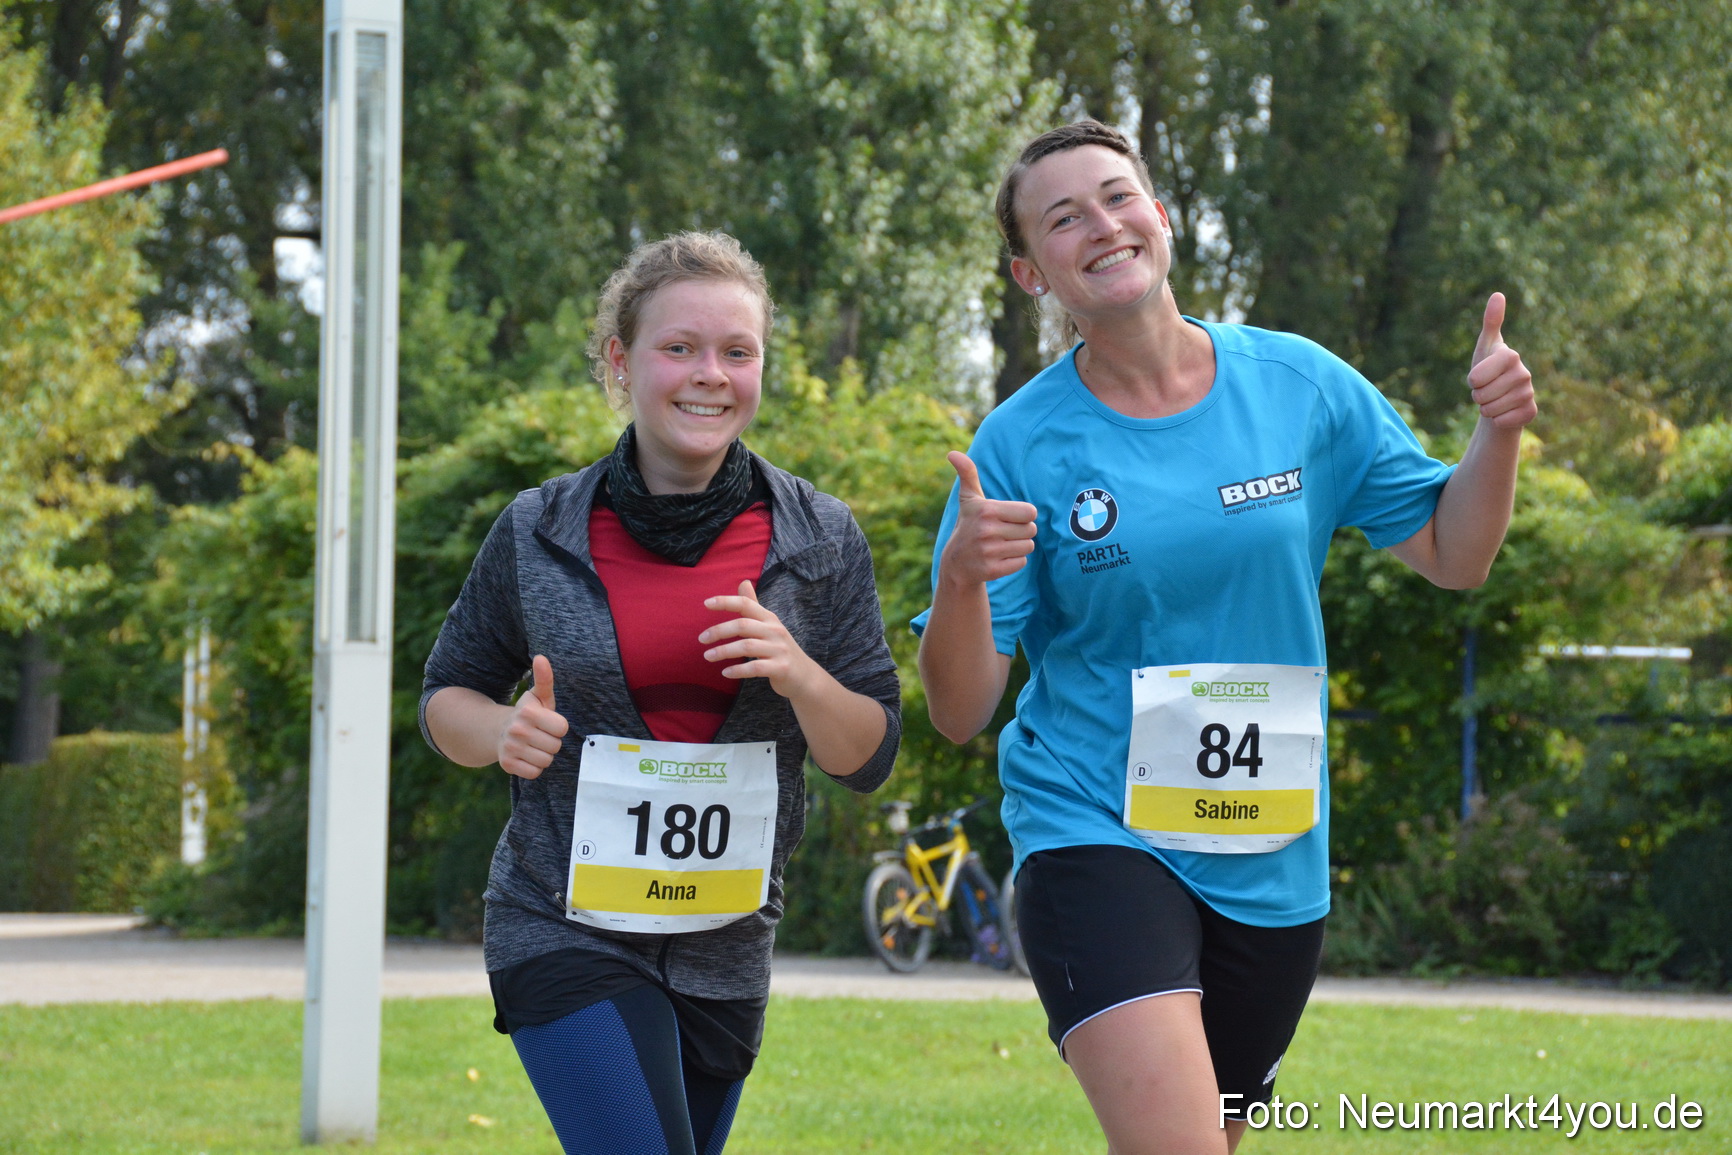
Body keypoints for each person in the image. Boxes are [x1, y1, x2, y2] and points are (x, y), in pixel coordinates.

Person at [914, 120, 1536, 1155]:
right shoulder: (1019, 444)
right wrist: (960, 580)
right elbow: (959, 707)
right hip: (1093, 829)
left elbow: (1450, 549)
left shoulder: (1298, 385)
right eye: (1064, 217)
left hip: (1270, 848)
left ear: (1160, 216)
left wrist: (1497, 434)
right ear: (1033, 273)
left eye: (1118, 197)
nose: (1102, 226)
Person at [420, 231, 901, 1155]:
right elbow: (450, 692)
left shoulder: (821, 537)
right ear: (622, 359)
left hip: (725, 944)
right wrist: (500, 731)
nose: (708, 374)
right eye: (678, 347)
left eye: (737, 351)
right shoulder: (538, 527)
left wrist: (798, 672)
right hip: (559, 923)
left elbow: (868, 753)